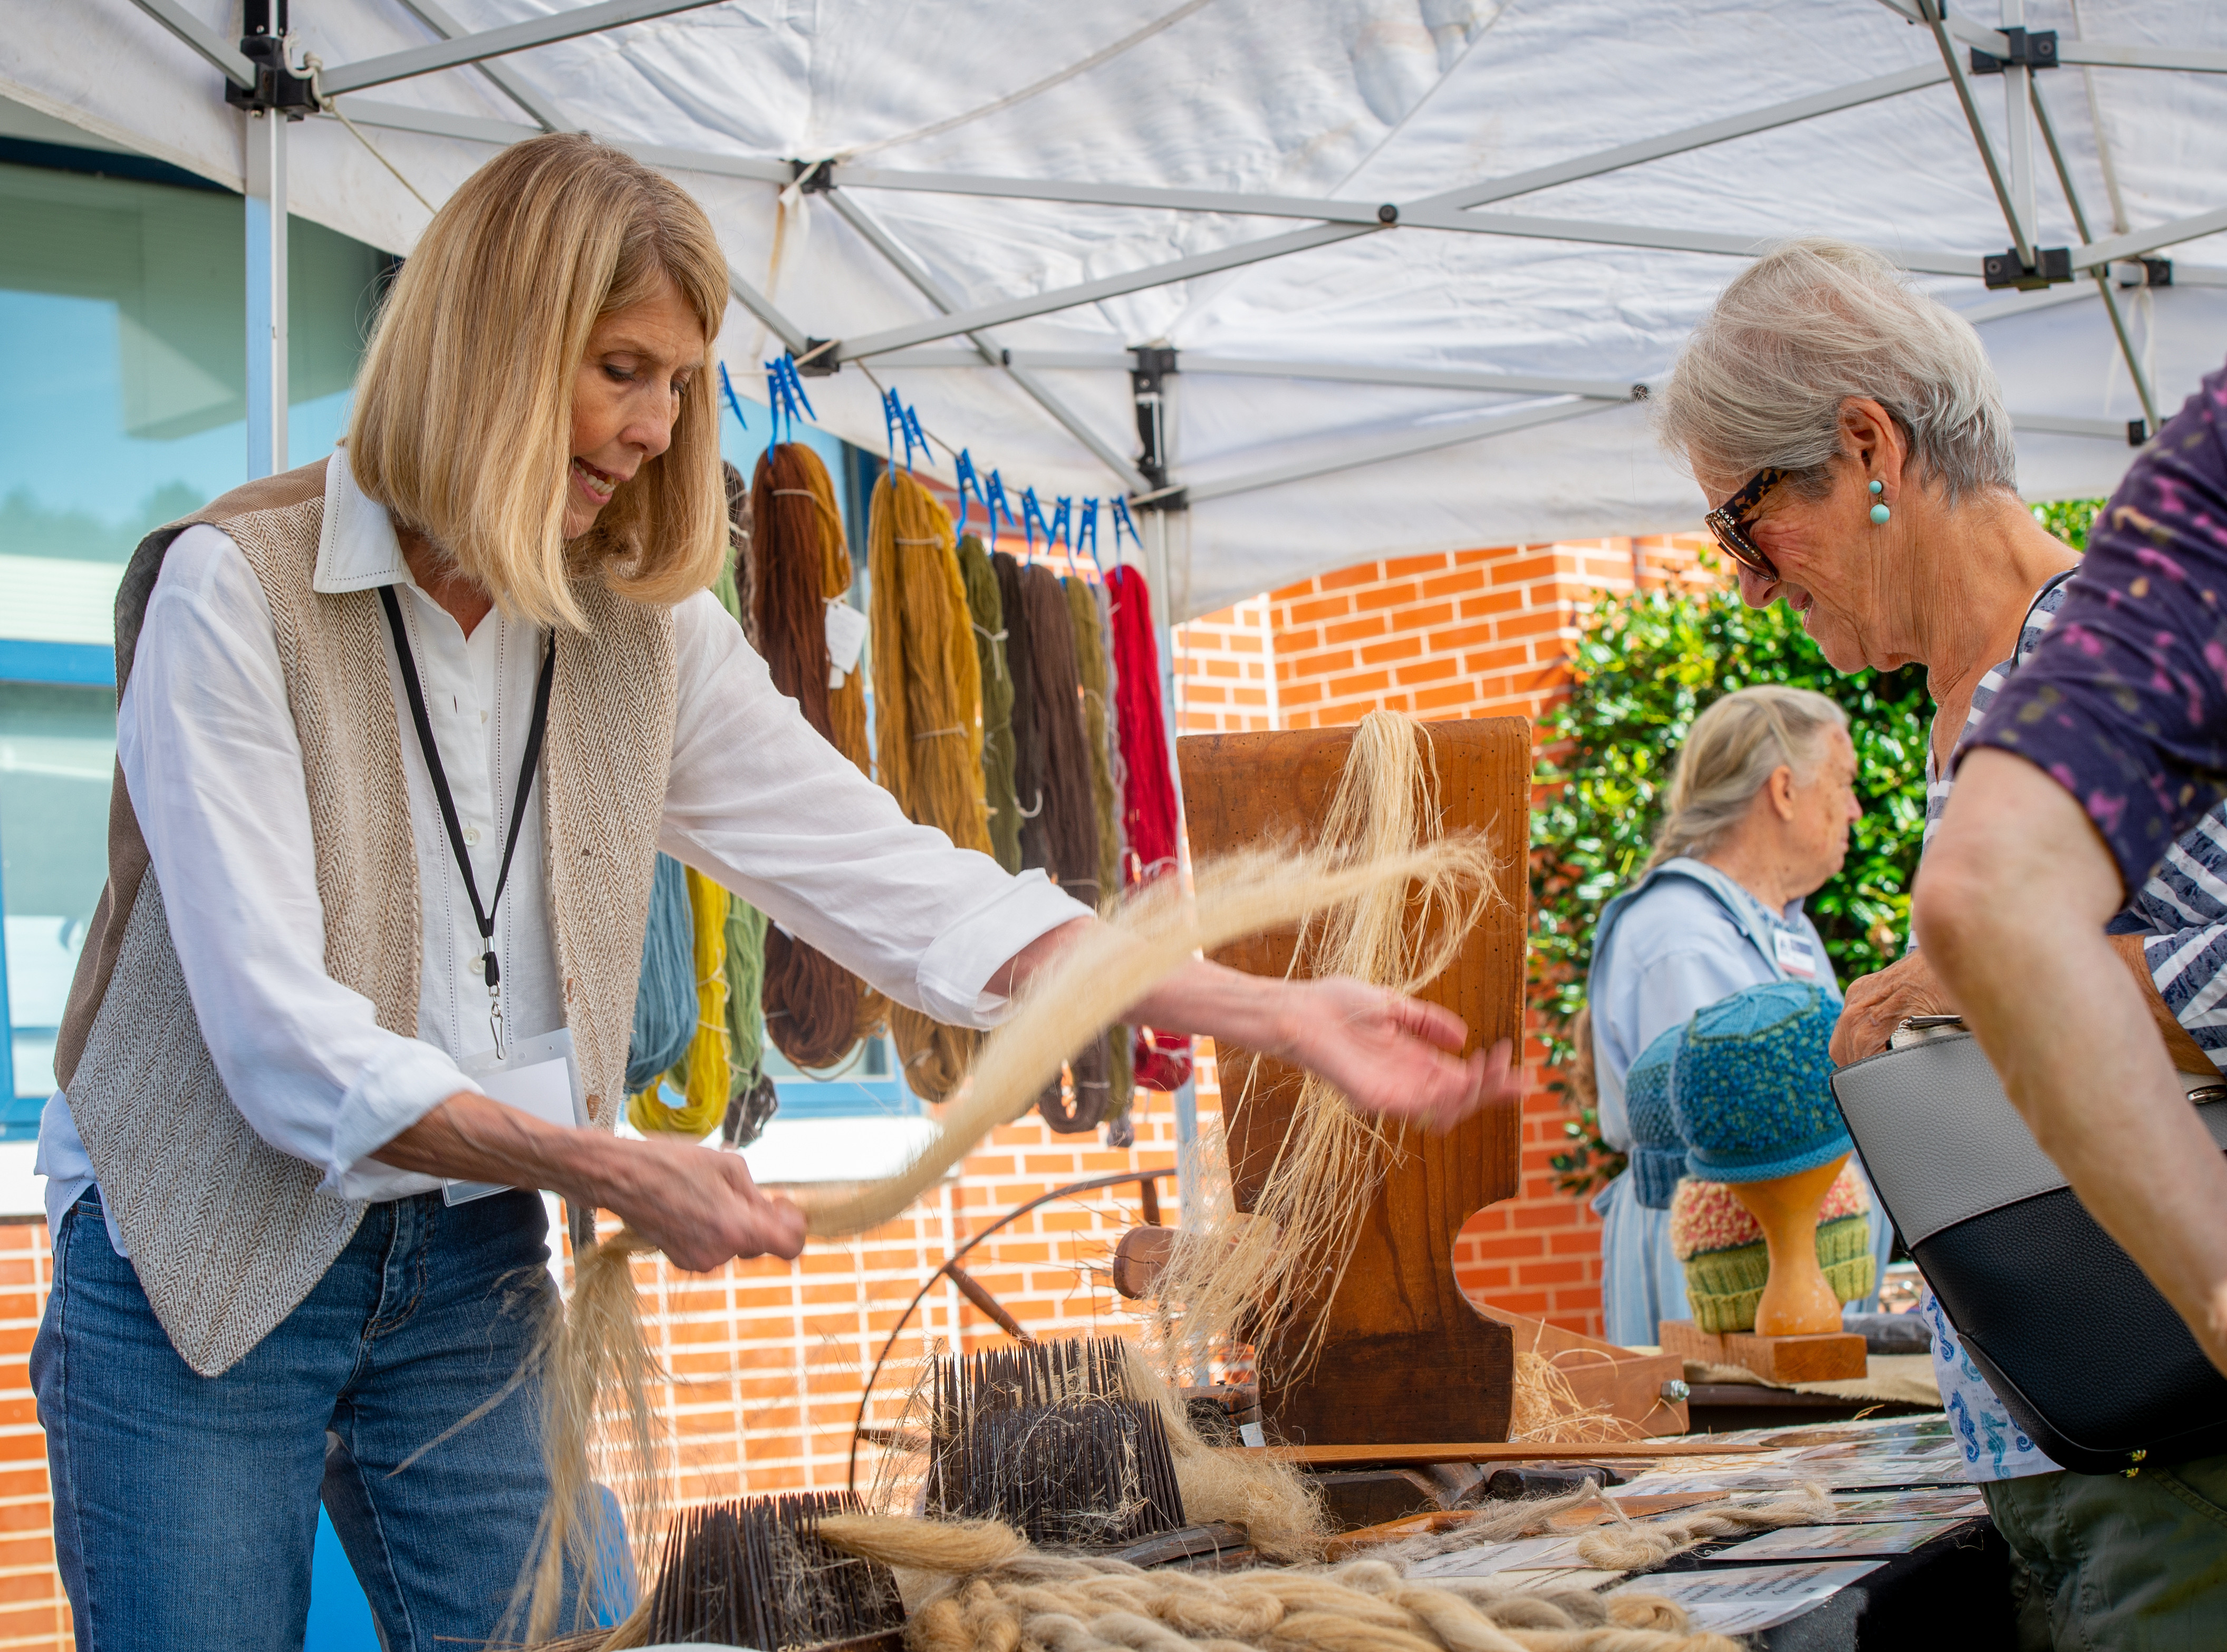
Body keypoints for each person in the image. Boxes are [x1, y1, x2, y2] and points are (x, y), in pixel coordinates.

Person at [30, 134, 1518, 1652]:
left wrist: (1259, 1002)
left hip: (464, 1257)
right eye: (621, 368)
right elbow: (280, 1039)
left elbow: (899, 888)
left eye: (679, 382)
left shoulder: (642, 635)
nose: (654, 426)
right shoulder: (237, 588)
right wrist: (609, 1165)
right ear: (492, 340)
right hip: (194, 1257)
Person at [1656, 236, 2227, 1649]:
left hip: (2179, 1456)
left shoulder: (2102, 672)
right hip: (2071, 1450)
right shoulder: (1966, 701)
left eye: (1740, 525)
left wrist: (1965, 981)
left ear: (1865, 449)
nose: (1739, 583)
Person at [1585, 684, 1870, 1346]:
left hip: (1774, 1287)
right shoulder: (1680, 935)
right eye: (1842, 781)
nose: (1854, 807)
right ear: (1783, 790)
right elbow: (1739, 1147)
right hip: (1727, 1291)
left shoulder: (1773, 928)